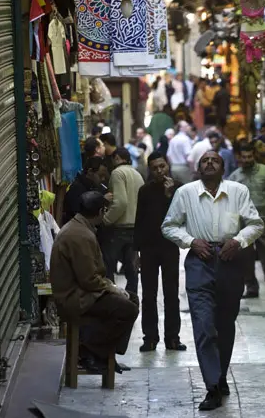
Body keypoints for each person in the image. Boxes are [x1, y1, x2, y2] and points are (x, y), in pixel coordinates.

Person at [161, 150, 264, 411]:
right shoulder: (186, 193)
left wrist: (238, 241)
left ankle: (220, 373)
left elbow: (256, 223)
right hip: (200, 261)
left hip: (230, 261)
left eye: (214, 160)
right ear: (198, 167)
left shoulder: (238, 191)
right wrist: (190, 242)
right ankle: (212, 386)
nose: (209, 163)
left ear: (223, 167)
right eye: (205, 160)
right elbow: (169, 225)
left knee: (225, 325)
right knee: (204, 325)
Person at [50, 191, 139, 377]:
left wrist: (113, 289)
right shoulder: (79, 235)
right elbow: (89, 280)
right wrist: (113, 289)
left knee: (132, 299)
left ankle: (105, 354)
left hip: (81, 291)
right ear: (100, 211)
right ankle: (89, 350)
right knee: (127, 308)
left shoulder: (80, 227)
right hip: (75, 297)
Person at [134, 152, 187, 352]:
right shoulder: (144, 191)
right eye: (155, 168)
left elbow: (180, 217)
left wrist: (168, 196)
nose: (159, 171)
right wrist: (136, 251)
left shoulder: (179, 189)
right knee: (148, 294)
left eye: (162, 166)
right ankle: (150, 337)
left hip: (169, 247)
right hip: (148, 248)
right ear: (150, 169)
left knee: (171, 293)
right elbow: (139, 220)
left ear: (168, 166)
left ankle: (173, 337)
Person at [228, 144, 265, 299]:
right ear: (239, 157)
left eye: (250, 156)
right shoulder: (234, 177)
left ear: (254, 155)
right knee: (246, 258)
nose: (247, 159)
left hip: (264, 221)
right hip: (243, 224)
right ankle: (251, 288)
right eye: (244, 157)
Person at [102, 148, 145, 293]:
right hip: (135, 228)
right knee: (132, 269)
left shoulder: (117, 173)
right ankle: (132, 300)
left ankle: (112, 299)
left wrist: (106, 220)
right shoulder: (137, 174)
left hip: (118, 228)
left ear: (117, 158)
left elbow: (120, 203)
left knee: (108, 267)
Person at [62, 156, 110, 226]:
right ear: (90, 171)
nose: (103, 179)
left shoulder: (95, 186)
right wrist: (102, 200)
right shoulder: (76, 188)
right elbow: (80, 214)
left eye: (104, 176)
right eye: (100, 176)